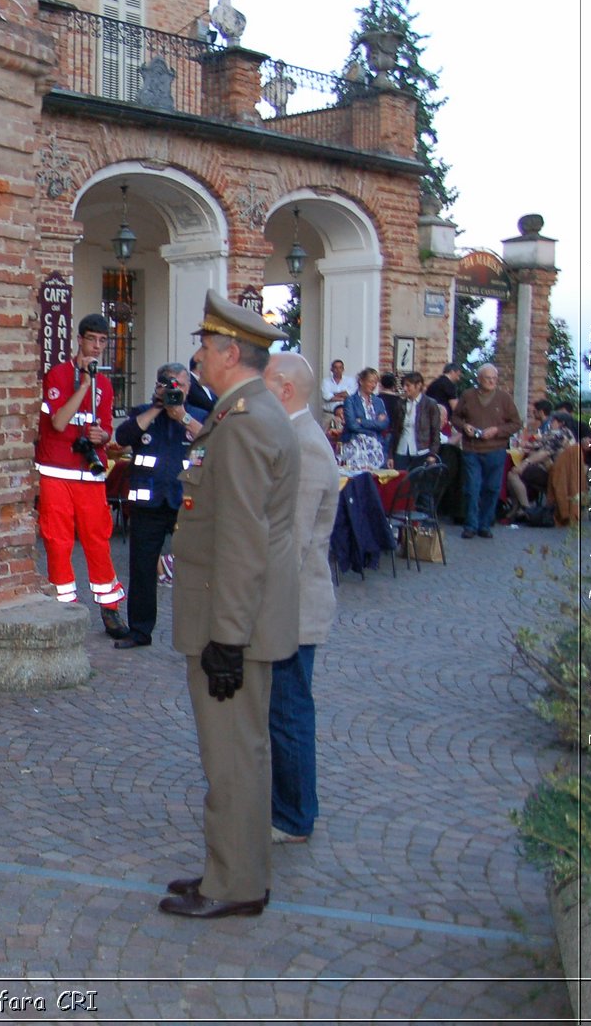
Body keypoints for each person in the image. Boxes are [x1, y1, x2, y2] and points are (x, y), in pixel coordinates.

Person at [160, 289, 299, 920]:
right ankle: (231, 868)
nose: (196, 357)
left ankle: (235, 885)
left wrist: (228, 638)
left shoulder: (245, 425)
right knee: (237, 751)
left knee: (234, 756)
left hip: (231, 618)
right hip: (232, 613)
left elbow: (243, 540)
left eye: (204, 347)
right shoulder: (248, 414)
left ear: (230, 353)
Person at [262, 353, 339, 846]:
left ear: (285, 389)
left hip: (292, 606)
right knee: (282, 710)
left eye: (264, 382)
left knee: (289, 712)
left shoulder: (305, 445)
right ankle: (286, 807)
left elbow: (292, 540)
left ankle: (293, 816)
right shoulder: (292, 438)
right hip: (285, 604)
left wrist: (260, 611)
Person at [35, 313, 130, 638]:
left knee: (98, 539)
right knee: (58, 539)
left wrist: (101, 437)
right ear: (80, 340)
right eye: (93, 340)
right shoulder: (59, 375)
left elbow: (105, 428)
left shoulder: (104, 384)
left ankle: (110, 607)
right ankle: (66, 608)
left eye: (103, 342)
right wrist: (84, 384)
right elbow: (59, 423)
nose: (98, 347)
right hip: (56, 471)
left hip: (90, 473)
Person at [112, 362, 207, 649]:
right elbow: (123, 437)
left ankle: (199, 633)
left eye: (178, 385)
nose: (173, 391)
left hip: (186, 505)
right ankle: (140, 630)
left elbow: (213, 443)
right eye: (167, 384)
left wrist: (183, 416)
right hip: (148, 504)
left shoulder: (199, 415)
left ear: (189, 388)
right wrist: (156, 407)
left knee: (195, 572)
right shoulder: (143, 413)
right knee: (142, 569)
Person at [451, 362, 521, 539]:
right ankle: (471, 525)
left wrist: (497, 430)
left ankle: (485, 524)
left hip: (495, 449)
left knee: (492, 488)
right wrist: (465, 426)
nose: (491, 381)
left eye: (494, 378)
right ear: (479, 379)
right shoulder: (468, 395)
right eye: (488, 378)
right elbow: (456, 418)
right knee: (472, 488)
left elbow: (516, 423)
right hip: (472, 449)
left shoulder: (504, 398)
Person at [505, 410, 576, 519]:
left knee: (513, 473)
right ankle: (519, 507)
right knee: (519, 470)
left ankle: (525, 508)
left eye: (553, 421)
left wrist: (524, 464)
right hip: (561, 472)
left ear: (561, 423)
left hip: (553, 473)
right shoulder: (567, 434)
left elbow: (545, 452)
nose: (551, 423)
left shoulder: (559, 435)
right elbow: (539, 445)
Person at [391, 370, 444, 472]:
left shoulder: (429, 404)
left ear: (418, 385)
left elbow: (435, 431)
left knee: (418, 482)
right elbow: (395, 430)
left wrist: (433, 454)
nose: (405, 388)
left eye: (408, 385)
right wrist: (390, 454)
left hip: (421, 451)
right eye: (404, 385)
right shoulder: (401, 404)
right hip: (401, 449)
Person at [339, 367, 389, 471]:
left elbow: (384, 424)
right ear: (361, 381)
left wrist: (362, 421)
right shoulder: (350, 400)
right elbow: (352, 425)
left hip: (375, 446)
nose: (374, 385)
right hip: (355, 445)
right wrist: (374, 426)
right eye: (371, 382)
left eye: (376, 382)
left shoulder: (378, 401)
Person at [377, 372, 405, 464]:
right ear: (394, 384)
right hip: (394, 433)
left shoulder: (376, 399)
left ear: (381, 384)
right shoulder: (399, 401)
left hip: (378, 432)